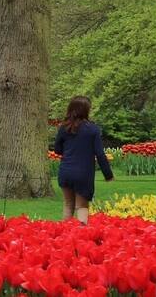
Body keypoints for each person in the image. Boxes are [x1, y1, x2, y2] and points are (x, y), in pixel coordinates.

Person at [53, 96, 114, 224]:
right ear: (86, 110)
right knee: (81, 206)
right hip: (83, 173)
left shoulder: (64, 128)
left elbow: (57, 150)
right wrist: (108, 175)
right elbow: (100, 154)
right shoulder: (92, 129)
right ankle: (82, 236)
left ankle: (64, 235)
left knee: (68, 205)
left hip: (66, 171)